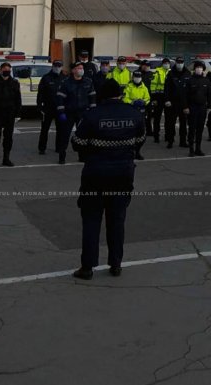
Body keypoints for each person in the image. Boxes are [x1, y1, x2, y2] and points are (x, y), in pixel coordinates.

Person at [71, 79, 145, 280]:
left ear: (101, 95)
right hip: (123, 174)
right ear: (120, 94)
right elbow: (140, 141)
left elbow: (77, 143)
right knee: (117, 220)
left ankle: (87, 267)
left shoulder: (92, 115)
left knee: (91, 220)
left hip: (95, 174)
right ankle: (116, 264)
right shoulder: (134, 114)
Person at [55, 62, 97, 164]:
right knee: (64, 135)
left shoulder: (88, 81)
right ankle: (62, 156)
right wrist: (61, 112)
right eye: (78, 68)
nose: (81, 70)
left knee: (82, 135)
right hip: (69, 113)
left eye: (82, 68)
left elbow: (92, 97)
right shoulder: (66, 82)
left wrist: (93, 112)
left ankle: (82, 156)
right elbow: (60, 98)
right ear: (73, 70)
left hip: (83, 113)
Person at [0, 62, 22, 168]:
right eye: (5, 69)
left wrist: (18, 114)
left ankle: (6, 159)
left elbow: (18, 99)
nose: (7, 71)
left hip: (10, 113)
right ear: (1, 70)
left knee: (8, 137)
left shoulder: (15, 83)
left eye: (9, 69)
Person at [183, 61, 211, 157]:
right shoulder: (190, 80)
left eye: (200, 67)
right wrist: (186, 107)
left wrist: (209, 107)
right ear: (194, 69)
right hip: (192, 107)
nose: (199, 69)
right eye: (197, 67)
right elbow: (185, 95)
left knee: (200, 129)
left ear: (203, 69)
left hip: (202, 108)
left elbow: (209, 95)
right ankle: (191, 149)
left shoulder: (206, 80)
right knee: (192, 129)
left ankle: (198, 149)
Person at [36, 60, 66, 155]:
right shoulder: (46, 78)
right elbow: (40, 93)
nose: (57, 68)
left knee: (61, 129)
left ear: (62, 67)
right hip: (48, 108)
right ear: (52, 66)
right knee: (45, 129)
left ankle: (59, 147)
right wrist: (39, 106)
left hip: (60, 108)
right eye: (56, 66)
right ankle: (42, 148)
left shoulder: (65, 78)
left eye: (59, 66)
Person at [122, 70, 150, 160]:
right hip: (131, 111)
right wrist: (132, 102)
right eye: (136, 77)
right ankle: (130, 151)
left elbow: (147, 98)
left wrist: (144, 102)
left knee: (141, 133)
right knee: (130, 133)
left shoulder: (144, 87)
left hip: (141, 112)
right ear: (133, 77)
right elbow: (125, 98)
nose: (137, 78)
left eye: (139, 77)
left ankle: (138, 151)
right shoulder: (128, 87)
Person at [164, 57, 190, 148]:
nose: (180, 64)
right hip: (173, 102)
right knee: (171, 123)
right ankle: (170, 141)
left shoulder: (187, 73)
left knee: (183, 123)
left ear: (183, 63)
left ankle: (183, 141)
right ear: (175, 63)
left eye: (181, 62)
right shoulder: (171, 73)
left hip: (184, 103)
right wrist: (167, 100)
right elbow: (166, 88)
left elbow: (189, 90)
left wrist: (188, 104)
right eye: (178, 62)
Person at [149, 58, 170, 144]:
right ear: (162, 64)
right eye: (165, 63)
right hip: (158, 97)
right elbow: (153, 86)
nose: (166, 64)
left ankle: (167, 136)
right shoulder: (157, 72)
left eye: (168, 63)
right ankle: (156, 136)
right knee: (157, 118)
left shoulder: (171, 72)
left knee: (168, 118)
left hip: (167, 97)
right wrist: (153, 98)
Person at [137, 61, 155, 140]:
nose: (146, 67)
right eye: (145, 65)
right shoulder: (137, 74)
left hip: (149, 98)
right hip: (138, 98)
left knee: (149, 115)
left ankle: (149, 131)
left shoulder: (151, 74)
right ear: (141, 66)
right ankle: (138, 131)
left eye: (148, 66)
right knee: (139, 116)